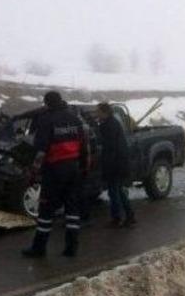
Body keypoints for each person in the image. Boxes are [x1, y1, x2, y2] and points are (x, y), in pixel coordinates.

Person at [23, 91, 87, 257]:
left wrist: (33, 172)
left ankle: (39, 248)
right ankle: (72, 247)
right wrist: (83, 167)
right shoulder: (75, 119)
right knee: (72, 208)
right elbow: (84, 145)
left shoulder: (47, 120)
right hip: (73, 168)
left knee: (46, 209)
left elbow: (41, 151)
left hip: (54, 170)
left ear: (47, 103)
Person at [97, 102, 136, 228]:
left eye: (98, 111)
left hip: (114, 164)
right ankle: (129, 216)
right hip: (119, 162)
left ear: (104, 112)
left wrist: (108, 166)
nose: (97, 114)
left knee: (114, 192)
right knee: (119, 191)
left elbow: (110, 147)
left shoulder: (108, 126)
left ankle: (117, 218)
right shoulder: (113, 122)